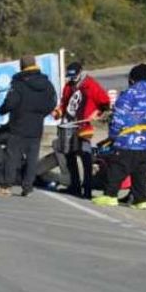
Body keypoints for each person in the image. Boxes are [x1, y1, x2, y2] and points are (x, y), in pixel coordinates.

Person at [93, 64, 146, 209]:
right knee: (141, 172)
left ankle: (110, 196)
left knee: (118, 168)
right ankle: (140, 200)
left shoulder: (129, 94)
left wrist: (113, 135)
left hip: (128, 140)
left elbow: (119, 118)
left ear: (132, 79)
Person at [0, 55, 57, 197]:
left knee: (12, 156)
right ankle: (27, 187)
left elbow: (11, 102)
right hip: (36, 126)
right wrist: (41, 114)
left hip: (18, 124)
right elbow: (52, 102)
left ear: (22, 66)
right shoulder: (46, 83)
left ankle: (7, 186)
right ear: (35, 64)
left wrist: (2, 110)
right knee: (32, 158)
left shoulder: (19, 82)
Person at [53, 62, 111, 199]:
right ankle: (75, 186)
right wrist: (58, 112)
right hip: (69, 125)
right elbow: (64, 103)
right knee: (69, 156)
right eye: (70, 77)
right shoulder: (68, 86)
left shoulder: (91, 85)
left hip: (84, 127)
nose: (71, 79)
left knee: (86, 157)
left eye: (74, 76)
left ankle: (88, 189)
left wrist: (96, 114)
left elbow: (105, 103)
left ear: (80, 72)